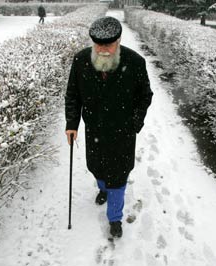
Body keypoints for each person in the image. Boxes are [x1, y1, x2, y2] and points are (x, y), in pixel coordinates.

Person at [64, 16, 153, 238]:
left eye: (109, 45)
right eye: (98, 45)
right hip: (94, 129)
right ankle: (102, 188)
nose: (103, 49)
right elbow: (73, 95)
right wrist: (71, 124)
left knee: (119, 175)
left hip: (122, 132)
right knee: (96, 167)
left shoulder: (135, 62)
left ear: (119, 40)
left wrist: (135, 122)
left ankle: (115, 218)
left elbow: (145, 96)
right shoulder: (81, 60)